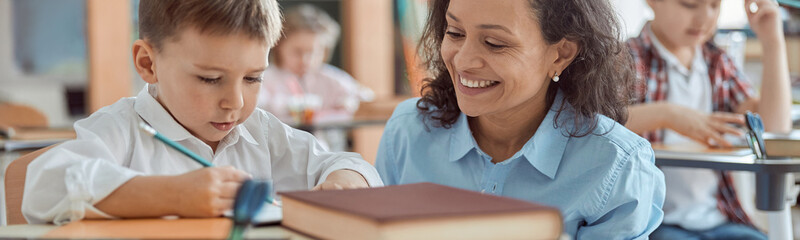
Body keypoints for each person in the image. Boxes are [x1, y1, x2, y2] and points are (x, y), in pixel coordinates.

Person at [22, 0, 382, 225]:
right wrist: (172, 195)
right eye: (210, 79)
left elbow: (350, 163)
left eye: (254, 78)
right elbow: (41, 185)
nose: (235, 102)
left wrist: (344, 183)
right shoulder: (123, 128)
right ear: (148, 64)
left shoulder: (260, 131)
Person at [374, 0, 665, 238]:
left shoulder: (617, 167)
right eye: (455, 33)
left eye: (494, 43)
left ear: (560, 54)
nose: (463, 61)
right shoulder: (409, 131)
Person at [626, 0, 791, 239]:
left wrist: (773, 42)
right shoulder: (628, 58)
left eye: (715, 5)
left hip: (719, 218)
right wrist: (667, 114)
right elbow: (598, 123)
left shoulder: (717, 62)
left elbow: (772, 128)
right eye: (690, 5)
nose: (704, 17)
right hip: (658, 222)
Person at [258, 4, 371, 151]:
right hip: (279, 152)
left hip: (328, 154)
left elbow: (365, 98)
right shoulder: (266, 77)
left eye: (313, 52)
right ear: (279, 46)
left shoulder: (330, 77)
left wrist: (347, 104)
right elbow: (260, 107)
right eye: (297, 51)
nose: (305, 60)